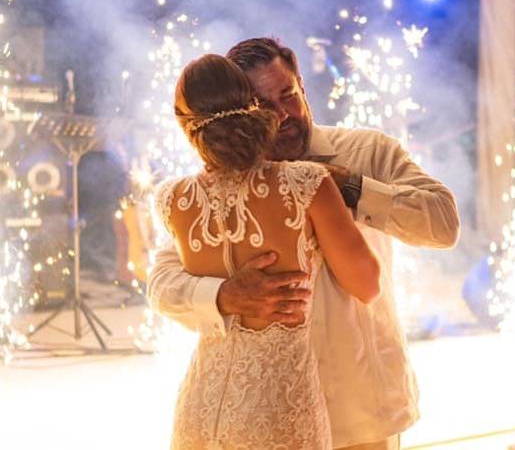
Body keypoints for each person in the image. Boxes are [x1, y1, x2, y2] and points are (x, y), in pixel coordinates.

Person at [148, 37, 461, 450]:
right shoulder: (218, 188)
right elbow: (162, 284)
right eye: (264, 104)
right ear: (240, 109)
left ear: (301, 86)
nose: (283, 115)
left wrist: (351, 187)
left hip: (360, 408)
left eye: (288, 95)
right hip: (265, 412)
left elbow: (443, 223)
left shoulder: (365, 151)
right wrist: (224, 295)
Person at [157, 53, 381, 449]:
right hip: (278, 404)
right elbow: (367, 284)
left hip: (202, 402)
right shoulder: (306, 184)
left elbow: (163, 286)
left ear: (185, 125)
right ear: (253, 107)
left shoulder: (173, 200)